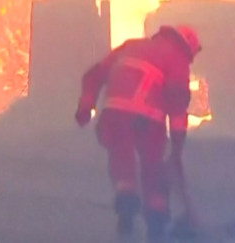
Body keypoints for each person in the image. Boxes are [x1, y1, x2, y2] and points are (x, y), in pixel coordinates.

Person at [75, 24, 202, 242]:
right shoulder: (177, 57)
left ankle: (126, 204)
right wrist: (177, 146)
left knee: (121, 158)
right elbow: (177, 102)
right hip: (147, 119)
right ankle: (157, 220)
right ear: (187, 47)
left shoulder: (131, 46)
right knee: (153, 167)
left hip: (113, 114)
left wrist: (86, 106)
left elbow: (94, 75)